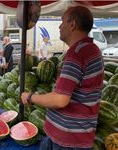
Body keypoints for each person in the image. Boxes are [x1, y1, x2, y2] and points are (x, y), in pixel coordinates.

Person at [21, 6, 104, 149]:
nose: (59, 26)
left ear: (72, 25)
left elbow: (60, 100)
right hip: (77, 136)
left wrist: (30, 97)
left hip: (66, 141)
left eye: (62, 21)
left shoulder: (77, 54)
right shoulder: (93, 49)